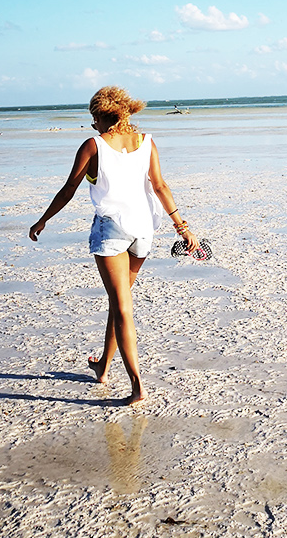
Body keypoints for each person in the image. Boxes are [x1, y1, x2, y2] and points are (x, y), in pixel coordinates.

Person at [29, 86, 198, 404]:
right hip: (144, 230)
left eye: (93, 117)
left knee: (123, 307)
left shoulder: (93, 146)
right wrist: (182, 227)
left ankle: (137, 386)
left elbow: (69, 190)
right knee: (118, 302)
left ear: (104, 115)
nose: (91, 123)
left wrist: (43, 220)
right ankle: (103, 367)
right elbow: (159, 186)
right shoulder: (146, 141)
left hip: (112, 231)